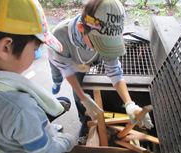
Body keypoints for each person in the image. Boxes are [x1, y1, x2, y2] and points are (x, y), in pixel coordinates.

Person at [48, 0, 154, 130]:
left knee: (81, 86)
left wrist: (129, 103)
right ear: (82, 28)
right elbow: (67, 70)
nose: (104, 51)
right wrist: (83, 97)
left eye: (109, 43)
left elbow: (114, 71)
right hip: (65, 62)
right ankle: (57, 83)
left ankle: (83, 119)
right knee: (60, 76)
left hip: (84, 63)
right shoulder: (60, 36)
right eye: (99, 43)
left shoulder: (103, 35)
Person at [0, 0, 76, 153]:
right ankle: (46, 134)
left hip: (7, 139)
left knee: (62, 102)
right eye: (35, 49)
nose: (35, 55)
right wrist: (68, 139)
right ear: (5, 48)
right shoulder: (21, 109)